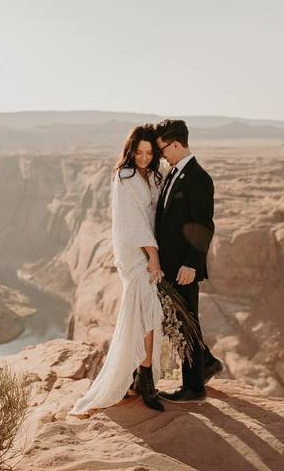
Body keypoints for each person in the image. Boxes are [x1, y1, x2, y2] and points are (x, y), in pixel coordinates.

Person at [69, 125, 166, 417]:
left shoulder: (153, 176)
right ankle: (143, 377)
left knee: (146, 315)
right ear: (130, 151)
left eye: (149, 153)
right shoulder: (124, 177)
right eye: (139, 152)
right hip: (136, 254)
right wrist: (153, 255)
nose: (144, 158)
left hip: (149, 250)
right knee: (147, 314)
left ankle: (138, 374)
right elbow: (132, 222)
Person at [153, 118, 223, 402]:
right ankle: (206, 363)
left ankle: (194, 388)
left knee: (186, 321)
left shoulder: (198, 177)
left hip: (184, 267)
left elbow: (204, 224)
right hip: (168, 266)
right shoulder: (173, 173)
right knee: (178, 321)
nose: (161, 156)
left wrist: (191, 263)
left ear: (177, 144)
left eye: (162, 150)